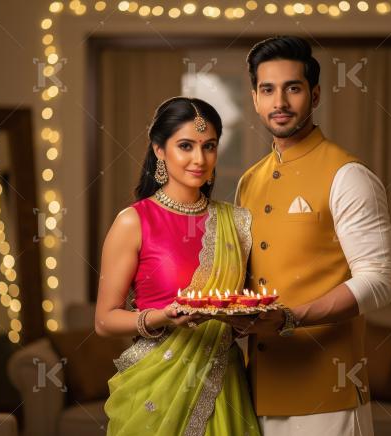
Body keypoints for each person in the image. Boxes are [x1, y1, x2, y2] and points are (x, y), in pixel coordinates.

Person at [229, 36, 391, 435]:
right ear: (254, 98)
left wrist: (290, 318)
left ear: (315, 94)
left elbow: (379, 281)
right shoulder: (248, 181)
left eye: (293, 88)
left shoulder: (348, 175)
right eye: (267, 89)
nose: (280, 102)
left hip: (329, 397)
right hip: (258, 392)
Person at [95, 96, 260, 436]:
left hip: (224, 384)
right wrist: (162, 316)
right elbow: (104, 320)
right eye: (185, 146)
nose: (199, 159)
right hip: (157, 386)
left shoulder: (238, 222)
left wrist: (246, 321)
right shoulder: (134, 222)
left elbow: (246, 303)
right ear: (159, 149)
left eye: (209, 146)